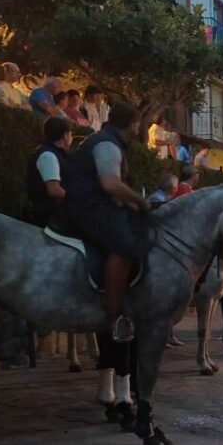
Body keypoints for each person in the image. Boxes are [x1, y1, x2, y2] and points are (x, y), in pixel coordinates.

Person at [63, 102, 148, 343]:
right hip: (89, 207)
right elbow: (110, 184)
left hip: (93, 203)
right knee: (124, 248)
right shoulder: (108, 145)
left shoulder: (105, 140)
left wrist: (132, 204)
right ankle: (113, 314)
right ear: (132, 124)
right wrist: (139, 201)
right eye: (138, 124)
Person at [26, 116, 73, 228]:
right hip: (50, 218)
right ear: (65, 136)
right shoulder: (48, 156)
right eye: (71, 135)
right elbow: (53, 190)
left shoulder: (52, 153)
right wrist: (78, 199)